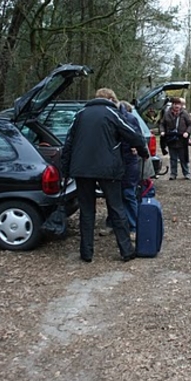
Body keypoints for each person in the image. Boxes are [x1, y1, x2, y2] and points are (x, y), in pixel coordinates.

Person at [61, 88, 149, 263]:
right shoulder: (111, 113)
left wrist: (65, 170)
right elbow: (133, 135)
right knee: (116, 208)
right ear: (110, 99)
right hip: (108, 169)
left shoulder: (80, 114)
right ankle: (126, 250)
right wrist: (142, 151)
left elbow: (68, 143)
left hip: (82, 169)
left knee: (87, 211)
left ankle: (86, 253)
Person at [100, 96, 142, 242]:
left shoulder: (129, 118)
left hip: (128, 162)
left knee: (128, 194)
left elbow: (137, 138)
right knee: (113, 195)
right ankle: (112, 223)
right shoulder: (106, 117)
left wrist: (137, 149)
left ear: (111, 99)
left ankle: (135, 227)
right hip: (112, 163)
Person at [160, 97, 191, 180]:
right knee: (173, 158)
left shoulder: (184, 114)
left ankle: (186, 173)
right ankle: (173, 174)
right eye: (175, 104)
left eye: (179, 104)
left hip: (182, 139)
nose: (177, 106)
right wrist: (162, 131)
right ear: (172, 104)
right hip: (171, 139)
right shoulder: (167, 114)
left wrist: (187, 132)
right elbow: (162, 124)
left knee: (183, 158)